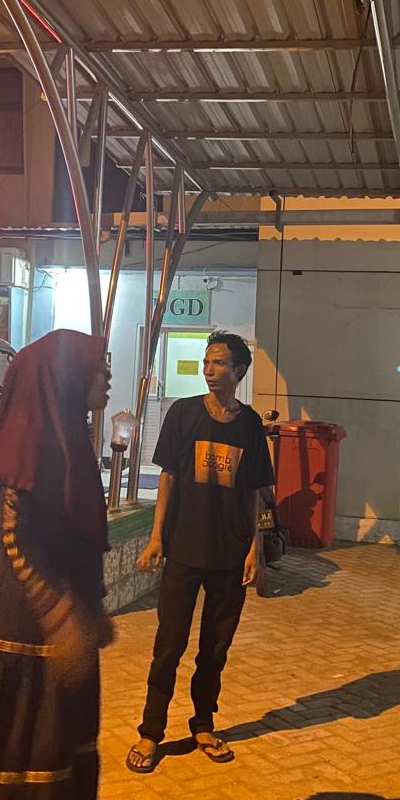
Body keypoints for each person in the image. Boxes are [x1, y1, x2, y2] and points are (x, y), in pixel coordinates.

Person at [0, 329, 114, 800]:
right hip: (25, 630)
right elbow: (15, 541)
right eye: (97, 367)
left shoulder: (67, 436)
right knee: (24, 757)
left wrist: (88, 610)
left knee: (64, 753)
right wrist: (62, 616)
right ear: (65, 376)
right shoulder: (23, 445)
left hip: (63, 628)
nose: (107, 376)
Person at [126, 330, 274, 773]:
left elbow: (253, 493)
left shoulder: (250, 425)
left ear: (239, 371)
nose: (210, 370)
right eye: (207, 362)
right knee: (168, 645)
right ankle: (151, 732)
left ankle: (203, 724)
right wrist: (157, 537)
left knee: (214, 649)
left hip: (229, 554)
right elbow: (167, 478)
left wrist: (254, 550)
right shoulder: (183, 413)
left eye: (219, 363)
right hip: (184, 551)